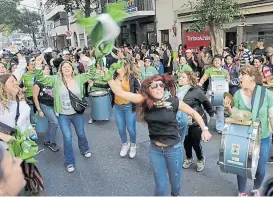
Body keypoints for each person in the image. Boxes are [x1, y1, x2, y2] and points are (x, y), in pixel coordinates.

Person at [106, 73, 212, 196]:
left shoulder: (173, 101)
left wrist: (204, 129)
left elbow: (193, 113)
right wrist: (108, 77)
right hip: (156, 151)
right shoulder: (145, 101)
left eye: (161, 85)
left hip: (173, 150)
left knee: (175, 185)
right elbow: (122, 93)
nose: (158, 88)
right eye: (154, 86)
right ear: (148, 90)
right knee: (160, 187)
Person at [34, 57, 96, 173]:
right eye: (64, 67)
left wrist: (89, 61)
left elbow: (92, 73)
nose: (67, 68)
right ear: (60, 70)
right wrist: (38, 65)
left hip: (77, 113)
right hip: (63, 115)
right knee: (67, 138)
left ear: (73, 70)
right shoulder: (55, 80)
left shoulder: (79, 78)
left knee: (81, 134)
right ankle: (69, 162)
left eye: (69, 66)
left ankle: (85, 149)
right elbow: (41, 78)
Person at [223, 65, 273, 197]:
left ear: (252, 78)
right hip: (243, 136)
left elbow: (272, 116)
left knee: (261, 169)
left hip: (263, 137)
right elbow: (236, 115)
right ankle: (242, 191)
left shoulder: (267, 94)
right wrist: (229, 108)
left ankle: (256, 188)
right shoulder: (238, 94)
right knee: (241, 166)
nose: (239, 77)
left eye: (242, 74)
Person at [0, 74, 44, 195]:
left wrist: (30, 129)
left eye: (16, 80)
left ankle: (34, 190)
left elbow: (24, 119)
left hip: (23, 143)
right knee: (9, 179)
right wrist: (3, 136)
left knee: (29, 170)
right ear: (2, 86)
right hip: (5, 148)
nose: (16, 83)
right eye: (12, 81)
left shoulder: (20, 99)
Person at [177, 72, 214, 172]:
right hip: (184, 122)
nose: (180, 78)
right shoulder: (177, 90)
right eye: (180, 76)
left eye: (183, 77)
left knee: (195, 143)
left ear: (190, 80)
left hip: (197, 121)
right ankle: (189, 158)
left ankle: (200, 158)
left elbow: (206, 102)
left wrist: (211, 113)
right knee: (186, 142)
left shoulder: (196, 91)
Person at [110, 60, 140, 158]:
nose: (116, 66)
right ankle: (125, 144)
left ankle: (133, 146)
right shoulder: (113, 76)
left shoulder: (132, 77)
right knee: (121, 128)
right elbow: (107, 85)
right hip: (117, 107)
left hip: (129, 107)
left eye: (119, 65)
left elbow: (139, 90)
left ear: (125, 66)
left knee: (131, 129)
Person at [198, 55, 230, 134]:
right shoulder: (209, 70)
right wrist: (199, 84)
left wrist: (226, 95)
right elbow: (203, 79)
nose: (216, 62)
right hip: (211, 93)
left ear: (221, 61)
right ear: (213, 62)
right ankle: (204, 127)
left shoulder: (225, 71)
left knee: (220, 111)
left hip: (221, 94)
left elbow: (227, 82)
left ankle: (220, 128)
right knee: (207, 110)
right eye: (215, 60)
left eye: (218, 60)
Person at [33, 65, 59, 152]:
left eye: (48, 69)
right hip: (44, 105)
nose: (48, 70)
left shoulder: (53, 79)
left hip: (54, 105)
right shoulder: (38, 82)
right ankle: (52, 142)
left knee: (51, 123)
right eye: (46, 69)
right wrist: (39, 110)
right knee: (55, 122)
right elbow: (35, 97)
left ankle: (47, 141)